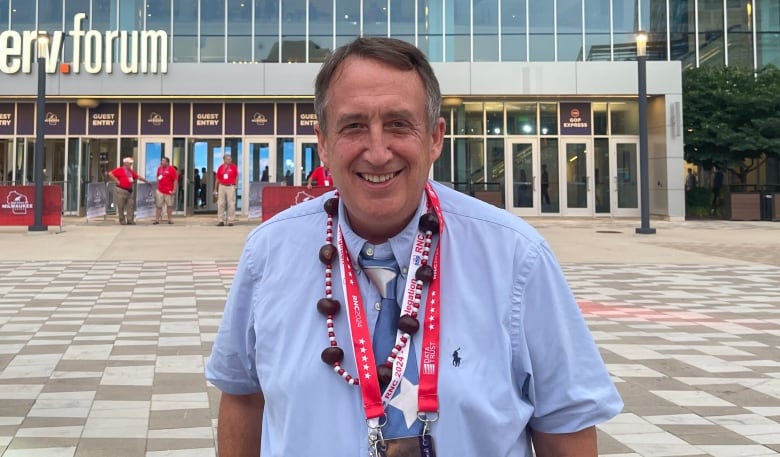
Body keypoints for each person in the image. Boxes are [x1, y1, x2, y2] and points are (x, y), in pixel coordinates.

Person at [206, 37, 622, 457]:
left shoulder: (517, 258)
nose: (378, 151)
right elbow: (244, 397)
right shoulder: (268, 254)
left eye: (398, 124)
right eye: (353, 126)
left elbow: (565, 428)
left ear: (435, 138)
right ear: (324, 144)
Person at [107, 157, 150, 225]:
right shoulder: (120, 169)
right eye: (130, 163)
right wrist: (116, 180)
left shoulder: (130, 171)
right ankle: (122, 220)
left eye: (131, 163)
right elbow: (110, 173)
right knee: (121, 206)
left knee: (130, 205)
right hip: (121, 190)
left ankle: (130, 220)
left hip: (129, 190)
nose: (131, 165)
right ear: (126, 163)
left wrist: (146, 181)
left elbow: (137, 177)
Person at [214, 153, 238, 226]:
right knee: (220, 203)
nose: (230, 160)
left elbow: (236, 177)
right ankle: (220, 220)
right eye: (228, 159)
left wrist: (235, 186)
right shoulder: (220, 167)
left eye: (230, 159)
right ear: (224, 160)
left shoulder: (233, 167)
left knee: (231, 204)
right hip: (222, 186)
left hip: (230, 186)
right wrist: (215, 189)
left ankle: (231, 220)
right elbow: (217, 178)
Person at [153, 157, 178, 224]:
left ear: (167, 162)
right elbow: (158, 177)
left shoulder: (172, 169)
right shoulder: (159, 168)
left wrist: (174, 190)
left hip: (169, 191)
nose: (162, 162)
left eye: (163, 161)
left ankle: (169, 219)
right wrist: (158, 186)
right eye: (161, 161)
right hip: (160, 190)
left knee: (169, 205)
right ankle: (157, 220)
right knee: (159, 205)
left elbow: (175, 180)